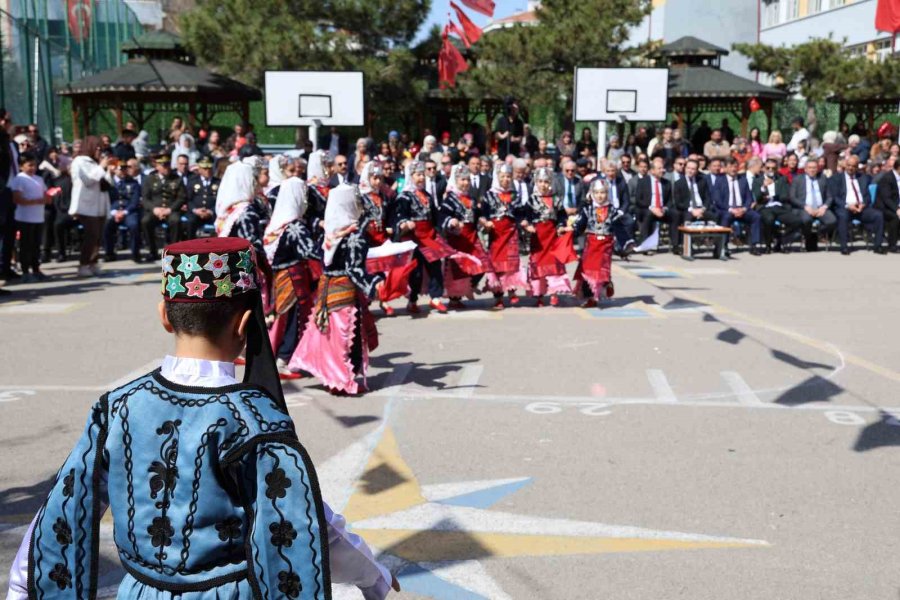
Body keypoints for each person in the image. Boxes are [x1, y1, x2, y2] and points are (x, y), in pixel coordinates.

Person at [6, 235, 399, 599]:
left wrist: (21, 589)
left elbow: (62, 510)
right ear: (246, 324)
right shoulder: (254, 420)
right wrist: (373, 575)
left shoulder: (118, 406)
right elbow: (305, 525)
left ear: (164, 315)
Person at [292, 184, 386, 395]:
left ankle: (331, 376)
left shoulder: (330, 233)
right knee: (345, 336)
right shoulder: (354, 236)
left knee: (330, 336)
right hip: (344, 293)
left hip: (326, 291)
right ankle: (342, 380)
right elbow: (354, 269)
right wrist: (373, 283)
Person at [263, 177, 323, 373]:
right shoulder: (295, 227)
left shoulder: (277, 224)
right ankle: (285, 357)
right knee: (294, 317)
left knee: (284, 317)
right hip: (294, 278)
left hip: (280, 278)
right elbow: (311, 251)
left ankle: (282, 355)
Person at [395, 161, 453, 313]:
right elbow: (399, 215)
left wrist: (447, 222)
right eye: (418, 175)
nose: (421, 178)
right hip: (413, 239)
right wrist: (404, 223)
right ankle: (412, 300)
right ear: (410, 176)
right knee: (416, 272)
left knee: (435, 266)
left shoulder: (426, 195)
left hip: (429, 237)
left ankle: (435, 298)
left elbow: (436, 216)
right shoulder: (404, 196)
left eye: (423, 175)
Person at [358, 162, 415, 316]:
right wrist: (365, 226)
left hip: (382, 238)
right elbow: (355, 218)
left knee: (390, 269)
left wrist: (395, 225)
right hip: (366, 240)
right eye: (374, 178)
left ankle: (384, 300)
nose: (378, 182)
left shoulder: (384, 197)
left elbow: (391, 215)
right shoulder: (360, 197)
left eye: (380, 178)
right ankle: (366, 303)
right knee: (368, 272)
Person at [440, 165, 493, 309]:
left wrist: (482, 220)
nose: (465, 183)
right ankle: (454, 298)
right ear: (455, 180)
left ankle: (470, 286)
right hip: (457, 239)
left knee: (483, 264)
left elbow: (477, 214)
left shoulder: (471, 198)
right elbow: (443, 216)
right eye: (462, 180)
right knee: (458, 270)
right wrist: (451, 222)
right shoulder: (450, 199)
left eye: (467, 180)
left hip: (472, 237)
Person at [519, 167, 572, 306]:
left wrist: (561, 225)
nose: (543, 184)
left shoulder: (556, 199)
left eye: (546, 181)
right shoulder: (531, 200)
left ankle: (554, 293)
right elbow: (525, 216)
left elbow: (562, 216)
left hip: (552, 236)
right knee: (538, 265)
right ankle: (539, 295)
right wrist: (526, 224)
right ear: (536, 182)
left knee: (554, 264)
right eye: (540, 181)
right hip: (538, 238)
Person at [481, 164, 526, 309]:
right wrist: (485, 222)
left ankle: (512, 292)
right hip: (495, 234)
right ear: (497, 177)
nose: (506, 180)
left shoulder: (514, 195)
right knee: (497, 265)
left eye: (508, 177)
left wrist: (523, 221)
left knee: (511, 265)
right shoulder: (489, 195)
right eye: (503, 177)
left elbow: (520, 213)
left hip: (511, 233)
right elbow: (483, 214)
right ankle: (498, 297)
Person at [568, 179, 617, 308]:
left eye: (603, 192)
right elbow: (580, 224)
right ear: (592, 193)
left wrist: (627, 242)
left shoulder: (613, 210)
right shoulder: (587, 209)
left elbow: (621, 226)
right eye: (596, 192)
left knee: (601, 270)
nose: (600, 196)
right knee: (587, 271)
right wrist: (570, 233)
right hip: (591, 244)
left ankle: (605, 284)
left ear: (608, 193)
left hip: (606, 245)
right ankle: (590, 296)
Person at [70, 136, 112, 277]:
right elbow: (88, 180)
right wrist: (101, 167)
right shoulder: (80, 161)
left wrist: (109, 170)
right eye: (98, 147)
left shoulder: (96, 163)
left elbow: (106, 182)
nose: (100, 151)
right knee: (91, 234)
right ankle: (83, 264)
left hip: (100, 204)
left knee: (98, 236)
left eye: (101, 148)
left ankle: (93, 263)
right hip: (86, 205)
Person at [830, 155, 885, 255]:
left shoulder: (863, 178)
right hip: (845, 207)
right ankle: (844, 247)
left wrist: (863, 204)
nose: (851, 168)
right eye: (849, 165)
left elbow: (867, 196)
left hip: (861, 208)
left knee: (878, 215)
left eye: (853, 166)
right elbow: (834, 197)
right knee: (843, 216)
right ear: (845, 165)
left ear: (857, 167)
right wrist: (848, 205)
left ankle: (878, 246)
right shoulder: (836, 178)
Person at [10, 152, 50, 281]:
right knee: (26, 245)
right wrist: (34, 201)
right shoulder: (20, 179)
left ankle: (36, 269)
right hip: (24, 217)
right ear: (21, 166)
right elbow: (17, 198)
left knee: (36, 245)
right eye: (29, 165)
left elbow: (45, 194)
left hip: (38, 217)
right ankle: (25, 271)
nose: (33, 168)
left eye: (34, 165)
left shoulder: (39, 179)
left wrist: (47, 198)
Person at [141, 153, 187, 259]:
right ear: (157, 166)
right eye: (163, 165)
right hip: (155, 210)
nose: (166, 168)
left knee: (176, 221)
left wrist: (169, 209)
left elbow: (181, 198)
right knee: (145, 221)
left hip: (171, 210)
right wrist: (154, 209)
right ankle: (152, 250)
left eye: (167, 165)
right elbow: (145, 198)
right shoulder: (149, 179)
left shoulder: (176, 179)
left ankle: (173, 251)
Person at [714, 157, 762, 256]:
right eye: (730, 167)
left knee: (756, 216)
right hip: (727, 209)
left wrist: (744, 209)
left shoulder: (743, 180)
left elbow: (749, 198)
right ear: (726, 168)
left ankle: (754, 245)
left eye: (735, 166)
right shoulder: (720, 181)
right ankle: (724, 245)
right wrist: (731, 209)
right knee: (726, 217)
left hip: (742, 209)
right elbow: (718, 200)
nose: (733, 169)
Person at [673, 158, 719, 253]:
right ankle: (687, 246)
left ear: (697, 170)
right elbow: (678, 203)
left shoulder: (702, 181)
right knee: (687, 218)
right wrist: (692, 210)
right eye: (688, 168)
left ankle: (717, 246)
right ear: (685, 168)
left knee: (716, 216)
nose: (690, 170)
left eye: (693, 169)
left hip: (701, 209)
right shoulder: (678, 183)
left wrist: (702, 209)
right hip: (688, 210)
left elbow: (707, 198)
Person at [790, 159, 836, 251]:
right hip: (804, 208)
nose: (812, 170)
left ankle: (817, 234)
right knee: (806, 220)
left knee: (832, 221)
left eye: (814, 168)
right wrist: (805, 206)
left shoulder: (822, 178)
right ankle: (808, 236)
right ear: (805, 169)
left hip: (820, 208)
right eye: (810, 168)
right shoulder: (798, 179)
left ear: (818, 169)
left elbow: (830, 196)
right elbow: (792, 197)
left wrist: (824, 207)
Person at [634, 157, 678, 253]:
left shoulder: (666, 183)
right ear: (652, 170)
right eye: (659, 168)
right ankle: (644, 245)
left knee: (675, 214)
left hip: (662, 210)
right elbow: (638, 200)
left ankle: (675, 245)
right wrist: (652, 208)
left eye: (662, 168)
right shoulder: (643, 182)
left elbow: (670, 201)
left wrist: (664, 209)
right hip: (647, 209)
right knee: (648, 215)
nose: (662, 170)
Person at [102, 159, 142, 263]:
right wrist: (114, 212)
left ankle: (135, 253)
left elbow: (135, 201)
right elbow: (105, 200)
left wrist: (124, 212)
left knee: (134, 225)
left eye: (125, 169)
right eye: (120, 169)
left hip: (128, 212)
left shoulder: (133, 183)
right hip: (113, 212)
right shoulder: (108, 182)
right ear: (114, 170)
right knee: (106, 225)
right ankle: (109, 253)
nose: (123, 171)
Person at [602, 162, 636, 254]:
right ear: (604, 172)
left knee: (630, 221)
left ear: (616, 171)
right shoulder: (600, 182)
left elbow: (626, 200)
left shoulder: (621, 182)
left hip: (619, 210)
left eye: (613, 171)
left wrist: (621, 211)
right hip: (605, 210)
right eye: (608, 171)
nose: (610, 173)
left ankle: (623, 246)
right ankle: (608, 246)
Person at [874, 157, 900, 252]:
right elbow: (886, 198)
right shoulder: (887, 178)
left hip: (896, 205)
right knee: (895, 217)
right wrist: (897, 209)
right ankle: (892, 245)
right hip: (884, 207)